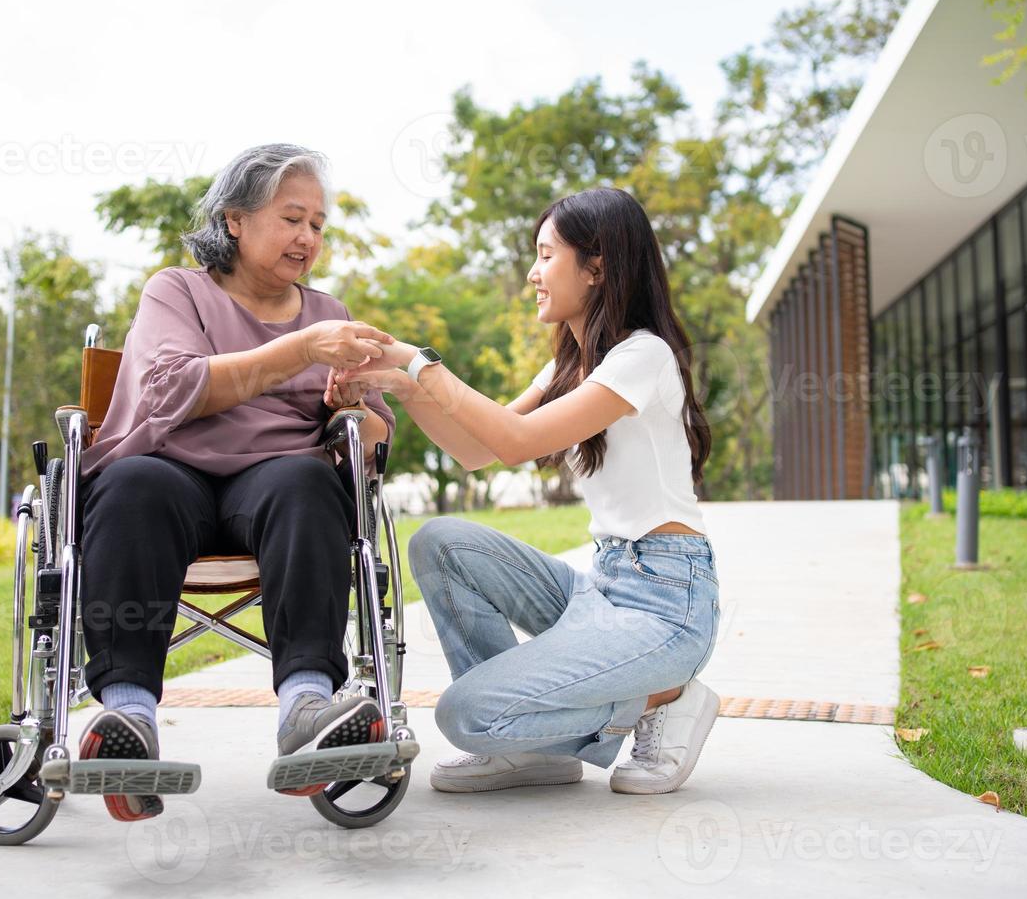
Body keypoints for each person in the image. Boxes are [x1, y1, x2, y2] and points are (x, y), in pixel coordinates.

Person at [335, 187, 720, 796]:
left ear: (597, 267)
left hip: (665, 603)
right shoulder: (571, 364)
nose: (533, 276)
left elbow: (515, 442)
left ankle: (663, 698)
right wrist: (406, 390)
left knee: (464, 714)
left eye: (546, 256)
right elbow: (477, 452)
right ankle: (527, 751)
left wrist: (420, 364)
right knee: (440, 542)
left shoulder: (642, 355)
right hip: (602, 584)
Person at [75, 144, 397, 821]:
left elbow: (374, 443)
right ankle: (127, 722)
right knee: (133, 485)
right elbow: (175, 390)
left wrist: (349, 406)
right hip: (169, 472)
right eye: (291, 219)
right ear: (234, 221)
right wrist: (304, 350)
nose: (307, 237)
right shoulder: (178, 290)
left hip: (275, 493)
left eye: (317, 224)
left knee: (309, 483)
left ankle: (308, 708)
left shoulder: (327, 310)